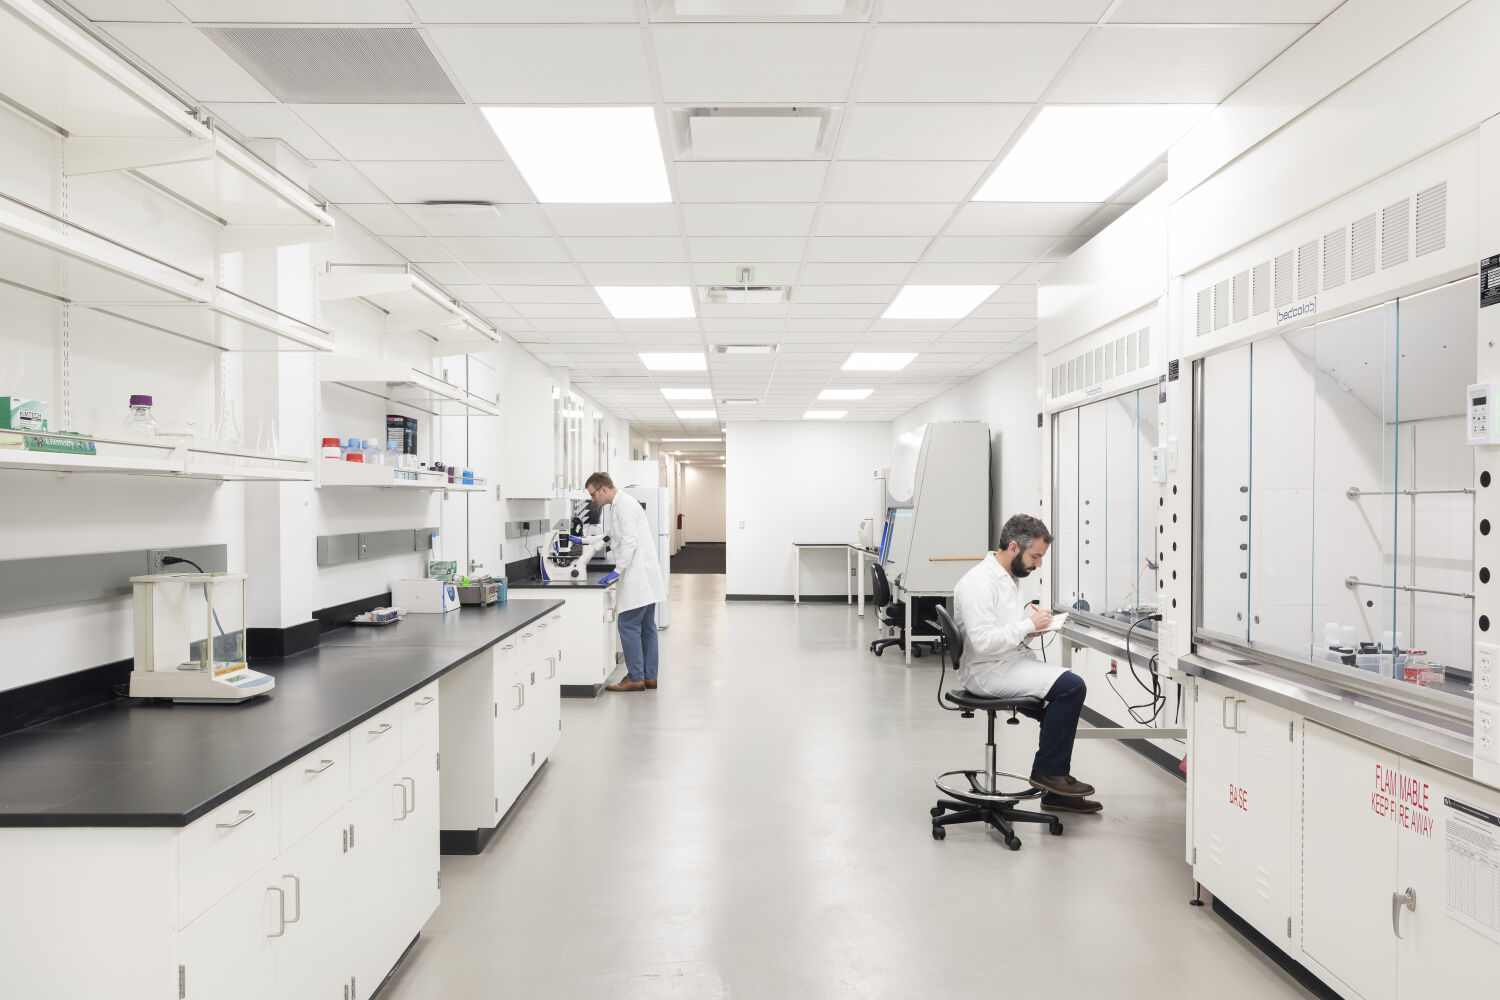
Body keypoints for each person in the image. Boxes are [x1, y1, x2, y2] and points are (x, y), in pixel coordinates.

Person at [951, 514, 1100, 814]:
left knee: (1057, 704)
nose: (1038, 564)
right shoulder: (979, 583)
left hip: (1004, 661)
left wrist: (1031, 629)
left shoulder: (1009, 577)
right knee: (1071, 688)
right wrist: (1026, 626)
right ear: (1014, 548)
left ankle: (1053, 788)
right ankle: (1048, 775)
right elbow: (982, 642)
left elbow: (1002, 633)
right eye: (1035, 556)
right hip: (986, 672)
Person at [585, 472, 668, 693]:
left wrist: (617, 570)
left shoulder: (625, 506)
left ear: (603, 489)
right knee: (646, 626)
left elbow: (630, 540)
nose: (592, 500)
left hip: (638, 576)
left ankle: (635, 677)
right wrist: (584, 540)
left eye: (593, 495)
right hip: (645, 576)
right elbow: (610, 535)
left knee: (627, 625)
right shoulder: (618, 505)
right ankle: (649, 677)